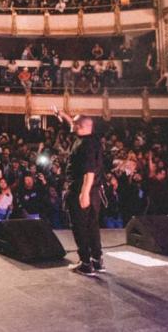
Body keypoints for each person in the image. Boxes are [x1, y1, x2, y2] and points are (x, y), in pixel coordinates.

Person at [55, 106, 104, 277]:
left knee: (80, 227)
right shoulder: (92, 139)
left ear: (80, 127)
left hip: (81, 190)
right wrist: (63, 115)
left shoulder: (84, 146)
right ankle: (97, 260)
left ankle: (85, 263)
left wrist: (84, 193)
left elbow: (89, 172)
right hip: (94, 192)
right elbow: (76, 123)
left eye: (74, 124)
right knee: (92, 226)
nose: (71, 126)